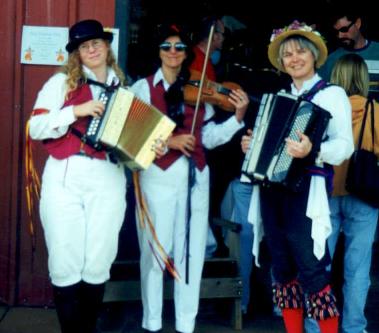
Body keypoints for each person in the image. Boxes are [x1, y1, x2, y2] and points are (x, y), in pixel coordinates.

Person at [130, 24, 249, 333]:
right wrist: (168, 142)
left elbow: (206, 137)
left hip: (196, 177)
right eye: (166, 46)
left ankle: (186, 324)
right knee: (155, 254)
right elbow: (130, 136)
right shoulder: (142, 89)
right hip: (157, 178)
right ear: (157, 52)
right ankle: (152, 323)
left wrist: (236, 120)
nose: (173, 52)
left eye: (179, 47)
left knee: (191, 254)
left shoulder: (198, 88)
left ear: (187, 53)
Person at [245, 20, 354, 333]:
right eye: (287, 55)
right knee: (281, 267)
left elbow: (344, 146)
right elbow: (266, 148)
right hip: (272, 190)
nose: (294, 59)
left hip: (306, 191)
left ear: (314, 56)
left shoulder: (331, 95)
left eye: (300, 52)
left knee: (312, 269)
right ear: (281, 63)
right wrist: (251, 147)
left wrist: (313, 150)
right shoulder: (277, 98)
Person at [28, 19, 129, 333]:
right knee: (65, 259)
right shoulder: (61, 83)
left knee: (99, 260)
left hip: (109, 176)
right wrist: (76, 110)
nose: (93, 49)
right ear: (77, 53)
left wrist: (150, 145)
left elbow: (132, 141)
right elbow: (35, 127)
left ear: (107, 46)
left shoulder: (123, 87)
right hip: (67, 174)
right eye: (85, 46)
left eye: (97, 42)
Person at [327, 54, 379, 333]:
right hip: (364, 194)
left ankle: (316, 326)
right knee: (358, 269)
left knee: (319, 267)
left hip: (326, 193)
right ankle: (354, 326)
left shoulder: (325, 109)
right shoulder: (376, 110)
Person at [318, 5, 379, 101]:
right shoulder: (330, 60)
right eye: (337, 32)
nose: (340, 35)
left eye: (344, 29)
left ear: (358, 23)